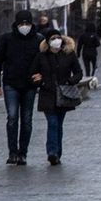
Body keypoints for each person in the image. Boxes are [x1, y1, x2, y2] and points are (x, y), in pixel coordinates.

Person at [0, 10, 43, 166]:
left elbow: (45, 61)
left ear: (32, 24)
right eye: (22, 24)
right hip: (11, 83)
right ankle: (12, 152)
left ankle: (23, 153)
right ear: (17, 24)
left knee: (27, 120)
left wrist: (41, 76)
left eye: (27, 23)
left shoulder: (38, 40)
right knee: (12, 118)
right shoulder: (7, 39)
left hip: (30, 85)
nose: (25, 26)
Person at [31, 31, 82, 166]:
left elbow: (78, 72)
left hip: (63, 93)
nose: (57, 40)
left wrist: (71, 81)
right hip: (47, 93)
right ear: (48, 41)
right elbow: (33, 73)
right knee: (52, 122)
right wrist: (39, 81)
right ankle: (52, 152)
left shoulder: (68, 54)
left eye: (59, 38)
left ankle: (57, 153)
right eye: (53, 38)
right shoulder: (41, 56)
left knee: (59, 124)